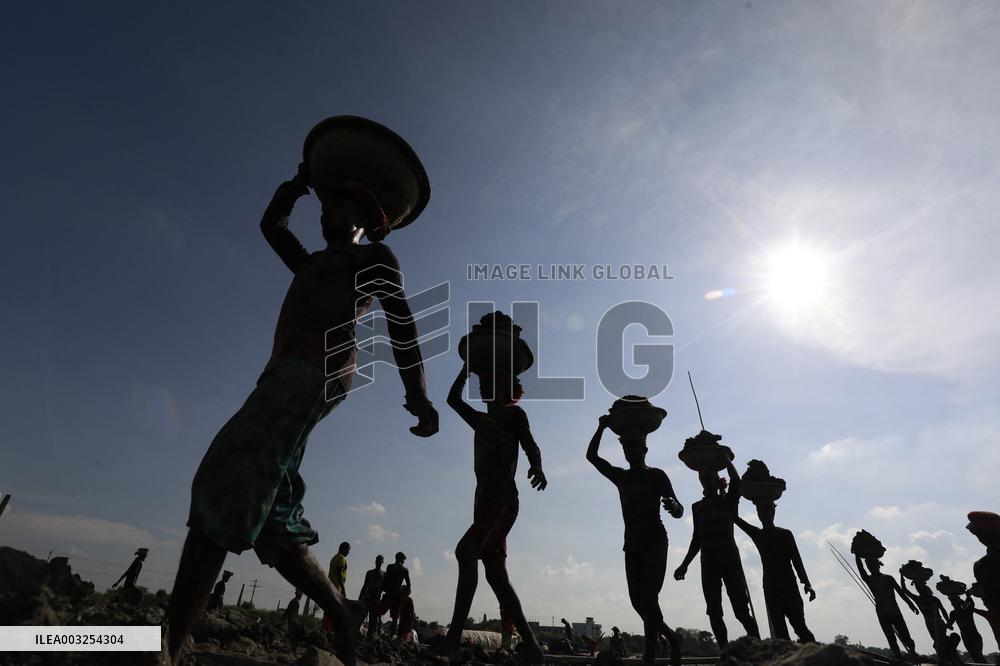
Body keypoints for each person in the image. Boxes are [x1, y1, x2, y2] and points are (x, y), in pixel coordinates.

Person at [165, 141, 440, 666]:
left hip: (318, 370)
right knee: (276, 513)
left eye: (338, 206)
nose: (326, 215)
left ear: (367, 219)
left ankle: (169, 645)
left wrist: (418, 394)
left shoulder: (372, 258)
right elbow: (272, 227)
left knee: (233, 466)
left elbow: (400, 320)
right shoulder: (310, 264)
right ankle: (339, 609)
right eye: (323, 207)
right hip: (282, 373)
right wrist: (296, 184)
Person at [432, 362, 547, 663]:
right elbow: (452, 400)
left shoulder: (513, 415)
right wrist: (466, 369)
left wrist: (536, 465)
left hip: (502, 500)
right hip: (484, 504)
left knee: (465, 551)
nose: (483, 387)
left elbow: (531, 445)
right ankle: (533, 647)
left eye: (489, 381)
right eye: (481, 382)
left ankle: (453, 640)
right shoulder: (481, 420)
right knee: (497, 578)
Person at [587, 410, 684, 665]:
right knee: (638, 602)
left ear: (644, 450)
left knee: (649, 597)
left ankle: (650, 655)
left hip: (654, 541)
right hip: (632, 545)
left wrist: (674, 506)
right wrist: (601, 428)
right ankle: (672, 638)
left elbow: (678, 508)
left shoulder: (657, 475)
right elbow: (592, 457)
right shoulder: (622, 477)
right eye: (626, 449)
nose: (630, 453)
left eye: (635, 448)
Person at [674, 441, 759, 647]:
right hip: (709, 563)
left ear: (716, 480)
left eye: (709, 478)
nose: (705, 482)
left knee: (741, 610)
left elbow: (736, 481)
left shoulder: (728, 502)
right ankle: (724, 651)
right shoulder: (698, 507)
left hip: (730, 560)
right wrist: (684, 564)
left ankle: (758, 647)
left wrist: (726, 459)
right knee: (714, 610)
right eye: (702, 479)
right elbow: (697, 539)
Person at [734, 501, 816, 642]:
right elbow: (736, 519)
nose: (764, 515)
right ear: (758, 515)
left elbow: (797, 561)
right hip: (771, 589)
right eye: (760, 512)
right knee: (780, 632)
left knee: (800, 627)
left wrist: (807, 583)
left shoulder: (785, 535)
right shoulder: (758, 535)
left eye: (767, 511)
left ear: (773, 513)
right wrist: (733, 495)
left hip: (789, 586)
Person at [854, 553, 919, 661]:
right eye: (869, 566)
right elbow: (861, 569)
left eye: (874, 565)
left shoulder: (889, 578)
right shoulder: (868, 579)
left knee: (906, 637)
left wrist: (910, 604)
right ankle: (899, 659)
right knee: (891, 638)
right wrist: (857, 555)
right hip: (882, 613)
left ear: (878, 566)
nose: (872, 568)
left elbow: (901, 593)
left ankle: (912, 652)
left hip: (895, 612)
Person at [379, 552, 412, 637]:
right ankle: (391, 635)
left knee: (379, 612)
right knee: (394, 618)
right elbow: (408, 585)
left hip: (390, 593)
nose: (404, 561)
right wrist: (405, 596)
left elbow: (385, 581)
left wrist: (383, 590)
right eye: (403, 560)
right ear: (401, 559)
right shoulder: (404, 570)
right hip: (397, 595)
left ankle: (379, 631)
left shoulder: (390, 567)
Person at [322, 542, 351, 632]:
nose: (348, 552)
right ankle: (329, 630)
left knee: (328, 610)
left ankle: (325, 629)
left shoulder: (334, 558)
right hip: (336, 588)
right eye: (348, 550)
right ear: (343, 548)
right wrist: (343, 590)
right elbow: (340, 575)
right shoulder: (341, 558)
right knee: (334, 611)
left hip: (329, 587)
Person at [358, 555, 385, 637]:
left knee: (373, 621)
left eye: (380, 560)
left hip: (376, 600)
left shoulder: (384, 574)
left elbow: (384, 587)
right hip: (367, 598)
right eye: (377, 560)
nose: (378, 562)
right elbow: (365, 585)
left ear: (382, 562)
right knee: (361, 617)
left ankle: (370, 636)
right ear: (375, 561)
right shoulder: (369, 573)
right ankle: (357, 633)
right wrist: (360, 598)